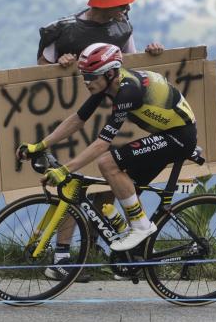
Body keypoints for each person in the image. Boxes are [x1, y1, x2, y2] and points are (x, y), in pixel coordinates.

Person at [18, 42, 197, 276]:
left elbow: (102, 144)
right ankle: (137, 256)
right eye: (84, 75)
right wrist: (41, 145)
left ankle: (141, 227)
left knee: (107, 162)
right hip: (167, 134)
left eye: (91, 76)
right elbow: (78, 119)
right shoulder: (109, 84)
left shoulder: (128, 92)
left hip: (179, 137)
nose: (86, 81)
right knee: (121, 188)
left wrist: (65, 169)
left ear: (110, 73)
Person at [36, 0, 164, 67]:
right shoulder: (63, 30)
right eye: (122, 4)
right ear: (105, 4)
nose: (128, 8)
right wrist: (60, 64)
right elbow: (43, 64)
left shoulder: (123, 28)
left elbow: (132, 62)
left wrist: (151, 53)